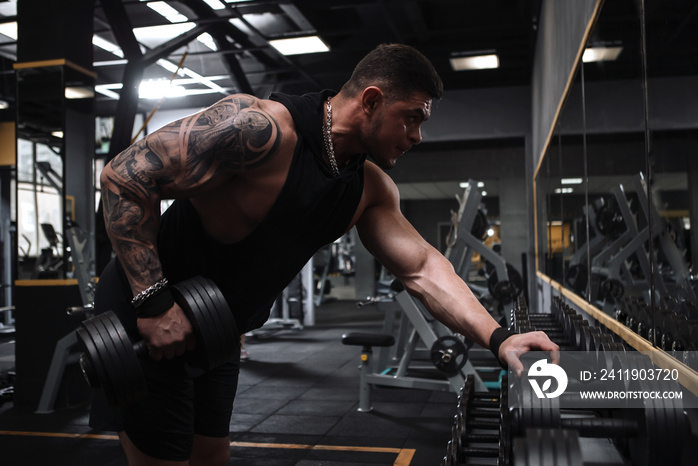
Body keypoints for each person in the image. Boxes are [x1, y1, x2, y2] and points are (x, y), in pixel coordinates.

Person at [92, 43, 558, 465]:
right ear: (372, 100)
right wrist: (153, 304)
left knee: (212, 455)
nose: (417, 135)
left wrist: (498, 339)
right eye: (412, 117)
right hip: (150, 313)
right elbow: (123, 177)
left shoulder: (367, 189)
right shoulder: (260, 130)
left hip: (212, 329)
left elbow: (422, 268)